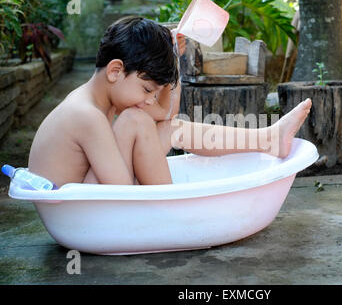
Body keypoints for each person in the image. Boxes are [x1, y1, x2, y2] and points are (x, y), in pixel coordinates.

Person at [28, 16, 312, 188]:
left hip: (90, 200)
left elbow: (166, 112)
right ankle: (169, 209)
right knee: (136, 120)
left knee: (169, 128)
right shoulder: (85, 114)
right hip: (79, 214)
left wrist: (174, 56)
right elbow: (121, 190)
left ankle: (268, 139)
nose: (150, 99)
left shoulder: (109, 96)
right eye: (147, 89)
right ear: (116, 71)